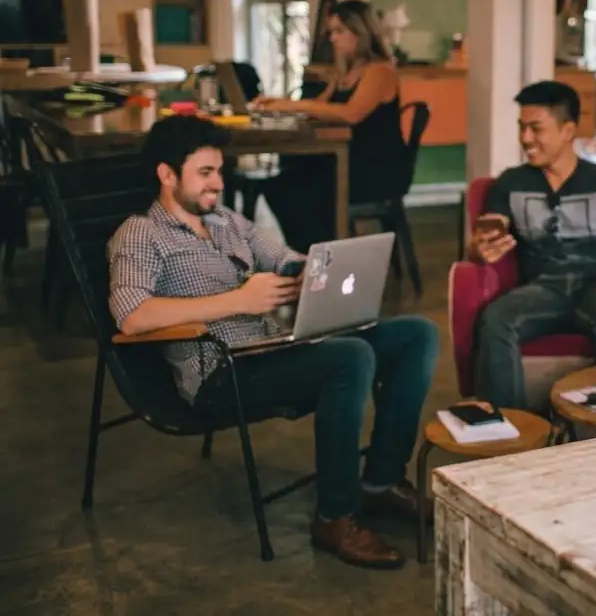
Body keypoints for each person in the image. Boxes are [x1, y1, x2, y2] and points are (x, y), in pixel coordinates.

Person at [106, 115, 438, 570]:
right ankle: (334, 515)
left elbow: (281, 256)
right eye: (205, 173)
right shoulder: (140, 234)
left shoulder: (225, 221)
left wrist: (310, 273)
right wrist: (237, 300)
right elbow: (131, 316)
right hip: (219, 373)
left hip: (272, 350)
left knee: (416, 334)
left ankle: (381, 481)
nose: (218, 183)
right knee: (351, 357)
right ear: (167, 174)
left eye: (220, 171)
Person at [470, 80, 596, 410]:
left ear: (568, 131)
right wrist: (479, 249)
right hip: (542, 290)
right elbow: (487, 234)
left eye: (536, 128)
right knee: (496, 319)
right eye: (522, 127)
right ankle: (506, 425)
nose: (525, 138)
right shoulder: (511, 182)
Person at [252, 0, 410, 251]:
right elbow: (320, 107)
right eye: (331, 32)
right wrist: (279, 104)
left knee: (296, 191)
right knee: (279, 186)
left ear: (360, 32)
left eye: (339, 31)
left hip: (374, 169)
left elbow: (350, 114)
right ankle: (311, 256)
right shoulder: (346, 72)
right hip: (346, 160)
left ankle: (322, 258)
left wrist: (291, 106)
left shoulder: (380, 71)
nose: (333, 38)